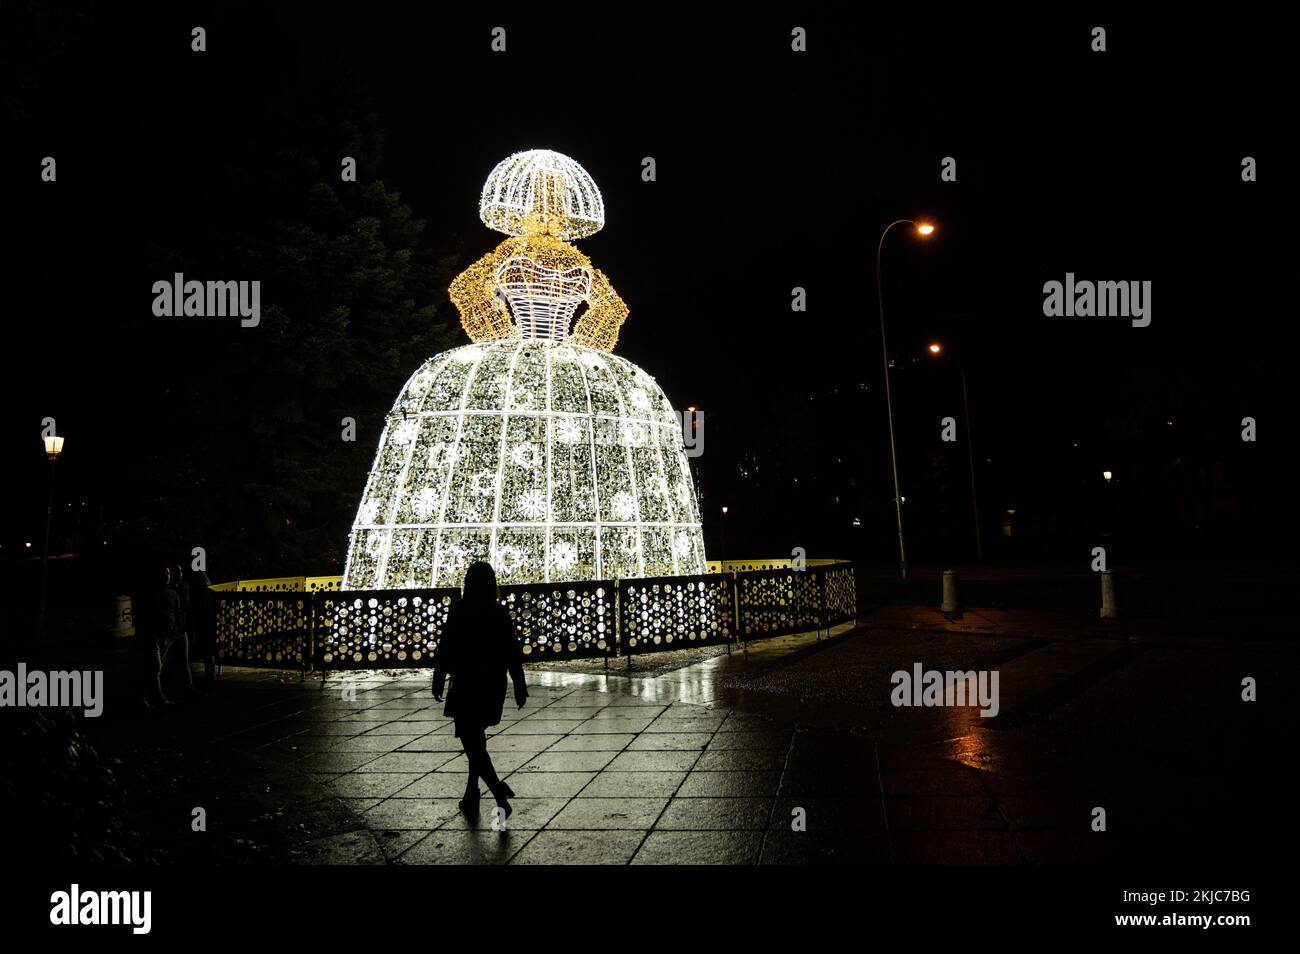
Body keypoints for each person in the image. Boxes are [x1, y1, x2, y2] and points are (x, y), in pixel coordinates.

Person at [432, 561, 528, 821]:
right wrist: (519, 685)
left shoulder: (459, 610)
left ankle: (498, 792)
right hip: (492, 684)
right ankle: (472, 794)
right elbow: (511, 651)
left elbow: (446, 646)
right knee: (476, 741)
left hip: (466, 683)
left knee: (472, 742)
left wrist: (438, 677)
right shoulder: (498, 612)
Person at [141, 564, 181, 709]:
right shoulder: (155, 594)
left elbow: (178, 613)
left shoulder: (172, 593)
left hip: (166, 636)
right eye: (165, 574)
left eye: (168, 573)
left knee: (156, 668)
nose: (167, 576)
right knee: (156, 667)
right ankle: (157, 697)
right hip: (156, 635)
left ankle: (148, 696)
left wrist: (175, 629)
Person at [188, 570, 218, 690]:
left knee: (205, 655)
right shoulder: (209, 594)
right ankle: (210, 678)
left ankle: (208, 680)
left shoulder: (195, 595)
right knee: (209, 656)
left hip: (202, 628)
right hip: (209, 627)